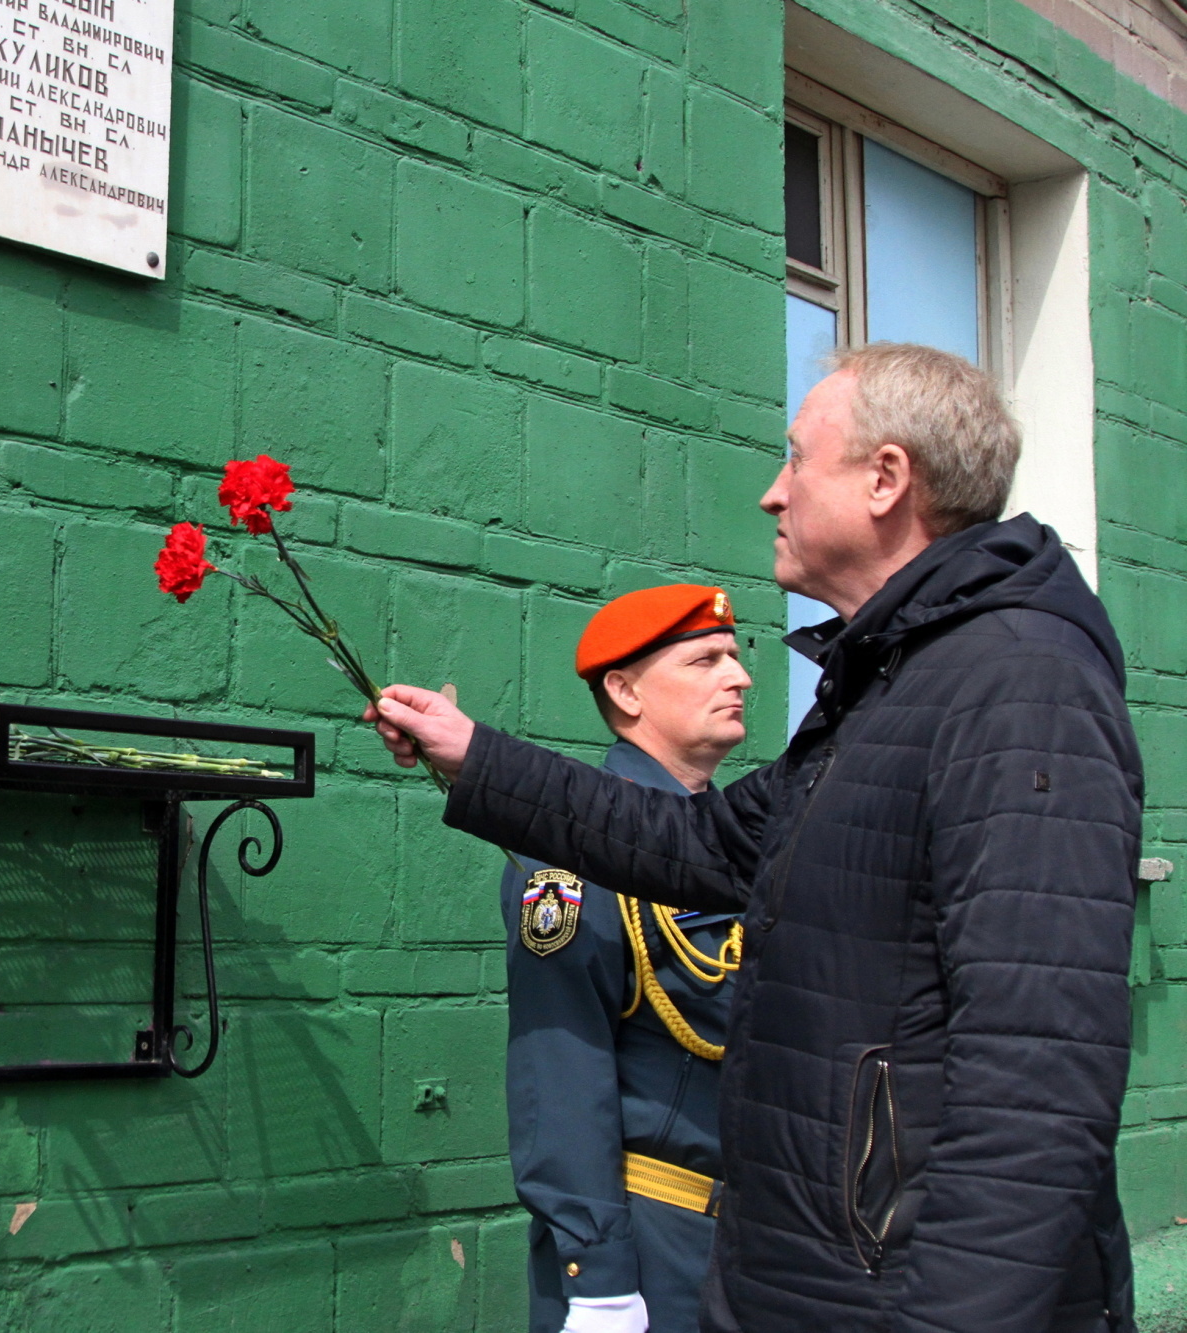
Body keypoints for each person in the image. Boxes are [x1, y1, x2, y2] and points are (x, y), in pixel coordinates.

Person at [372, 343, 1141, 1333]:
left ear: (883, 479)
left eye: (794, 459)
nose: (771, 495)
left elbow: (1034, 1085)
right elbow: (696, 842)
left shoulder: (1016, 681)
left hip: (888, 1294)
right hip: (801, 1280)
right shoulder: (895, 681)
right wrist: (471, 756)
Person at [509, 585, 752, 1333]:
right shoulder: (571, 850)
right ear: (625, 690)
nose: (738, 677)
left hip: (749, 1241)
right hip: (651, 1246)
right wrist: (599, 1278)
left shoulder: (738, 836)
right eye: (705, 658)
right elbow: (562, 1065)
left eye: (737, 657)